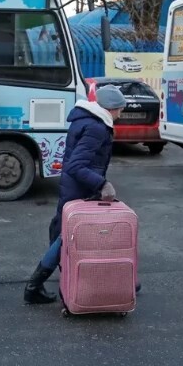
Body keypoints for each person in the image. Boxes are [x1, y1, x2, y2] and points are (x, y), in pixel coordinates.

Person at [24, 85, 128, 304]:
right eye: (119, 109)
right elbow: (76, 165)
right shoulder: (97, 128)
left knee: (64, 234)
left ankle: (118, 280)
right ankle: (34, 285)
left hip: (74, 188)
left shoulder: (85, 120)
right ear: (110, 108)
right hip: (80, 191)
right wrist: (102, 184)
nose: (121, 113)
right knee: (65, 239)